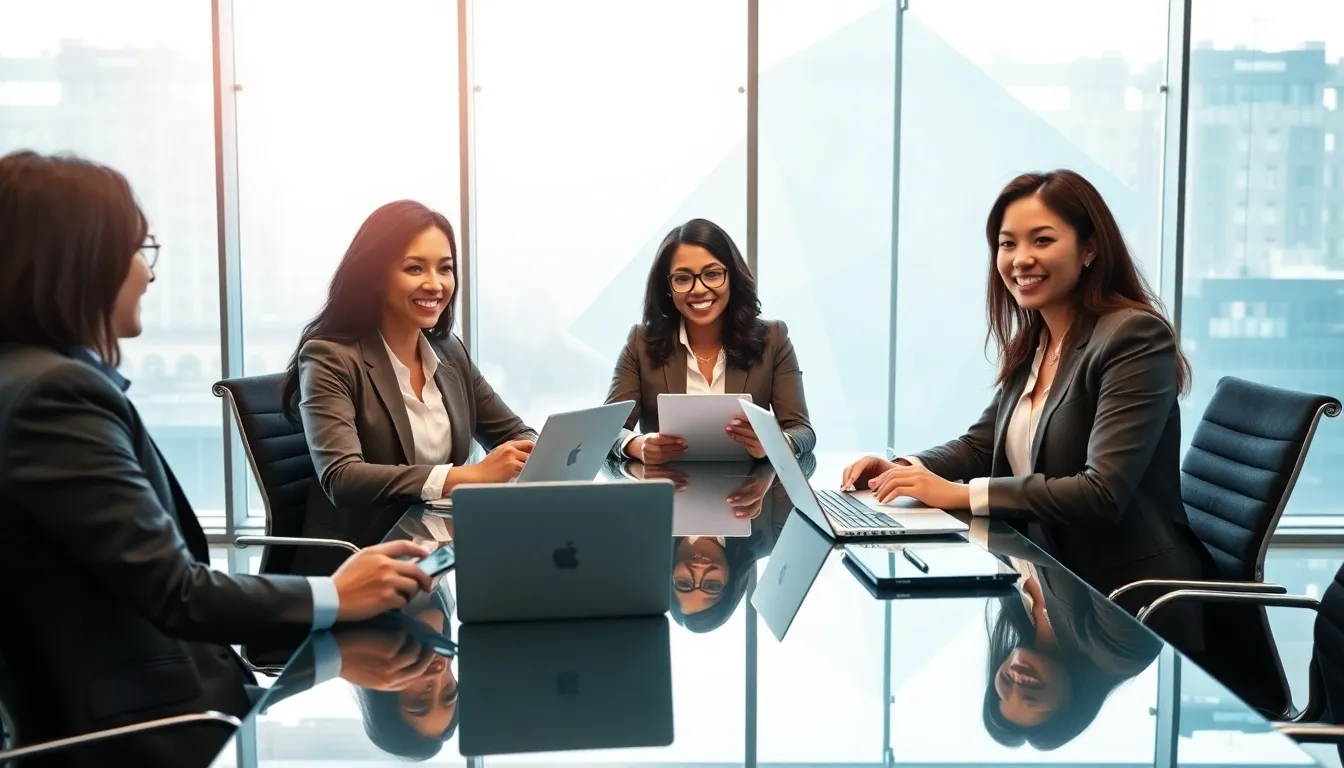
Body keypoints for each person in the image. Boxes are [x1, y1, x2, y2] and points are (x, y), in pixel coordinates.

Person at [0, 150, 433, 766]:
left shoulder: (29, 380)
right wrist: (336, 594)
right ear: (83, 258)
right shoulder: (55, 395)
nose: (148, 276)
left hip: (175, 691)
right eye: (138, 251)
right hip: (155, 724)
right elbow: (176, 591)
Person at [841, 170, 1214, 651]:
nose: (1020, 260)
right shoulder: (1039, 339)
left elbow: (1101, 494)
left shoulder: (1132, 337)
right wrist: (907, 469)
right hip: (1051, 573)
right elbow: (981, 444)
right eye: (1007, 244)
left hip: (1125, 604)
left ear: (1090, 248)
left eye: (1042, 240)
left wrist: (959, 495)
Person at [280, 200, 537, 575]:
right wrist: (463, 476)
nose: (435, 284)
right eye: (414, 268)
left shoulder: (450, 352)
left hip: (440, 553)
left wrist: (529, 453)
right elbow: (343, 477)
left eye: (445, 269)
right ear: (375, 275)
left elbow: (513, 432)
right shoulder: (329, 357)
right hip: (359, 563)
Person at [605, 218, 815, 464]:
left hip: (750, 496)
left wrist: (773, 444)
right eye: (683, 278)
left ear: (732, 277)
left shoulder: (774, 339)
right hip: (667, 494)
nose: (699, 289)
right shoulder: (640, 342)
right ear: (667, 287)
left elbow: (802, 431)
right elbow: (607, 430)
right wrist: (637, 445)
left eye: (712, 274)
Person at [981, 531, 1160, 750]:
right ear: (1072, 704)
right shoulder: (1119, 655)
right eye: (1032, 696)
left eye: (1005, 687)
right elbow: (1077, 533)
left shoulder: (1016, 607)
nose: (1017, 681)